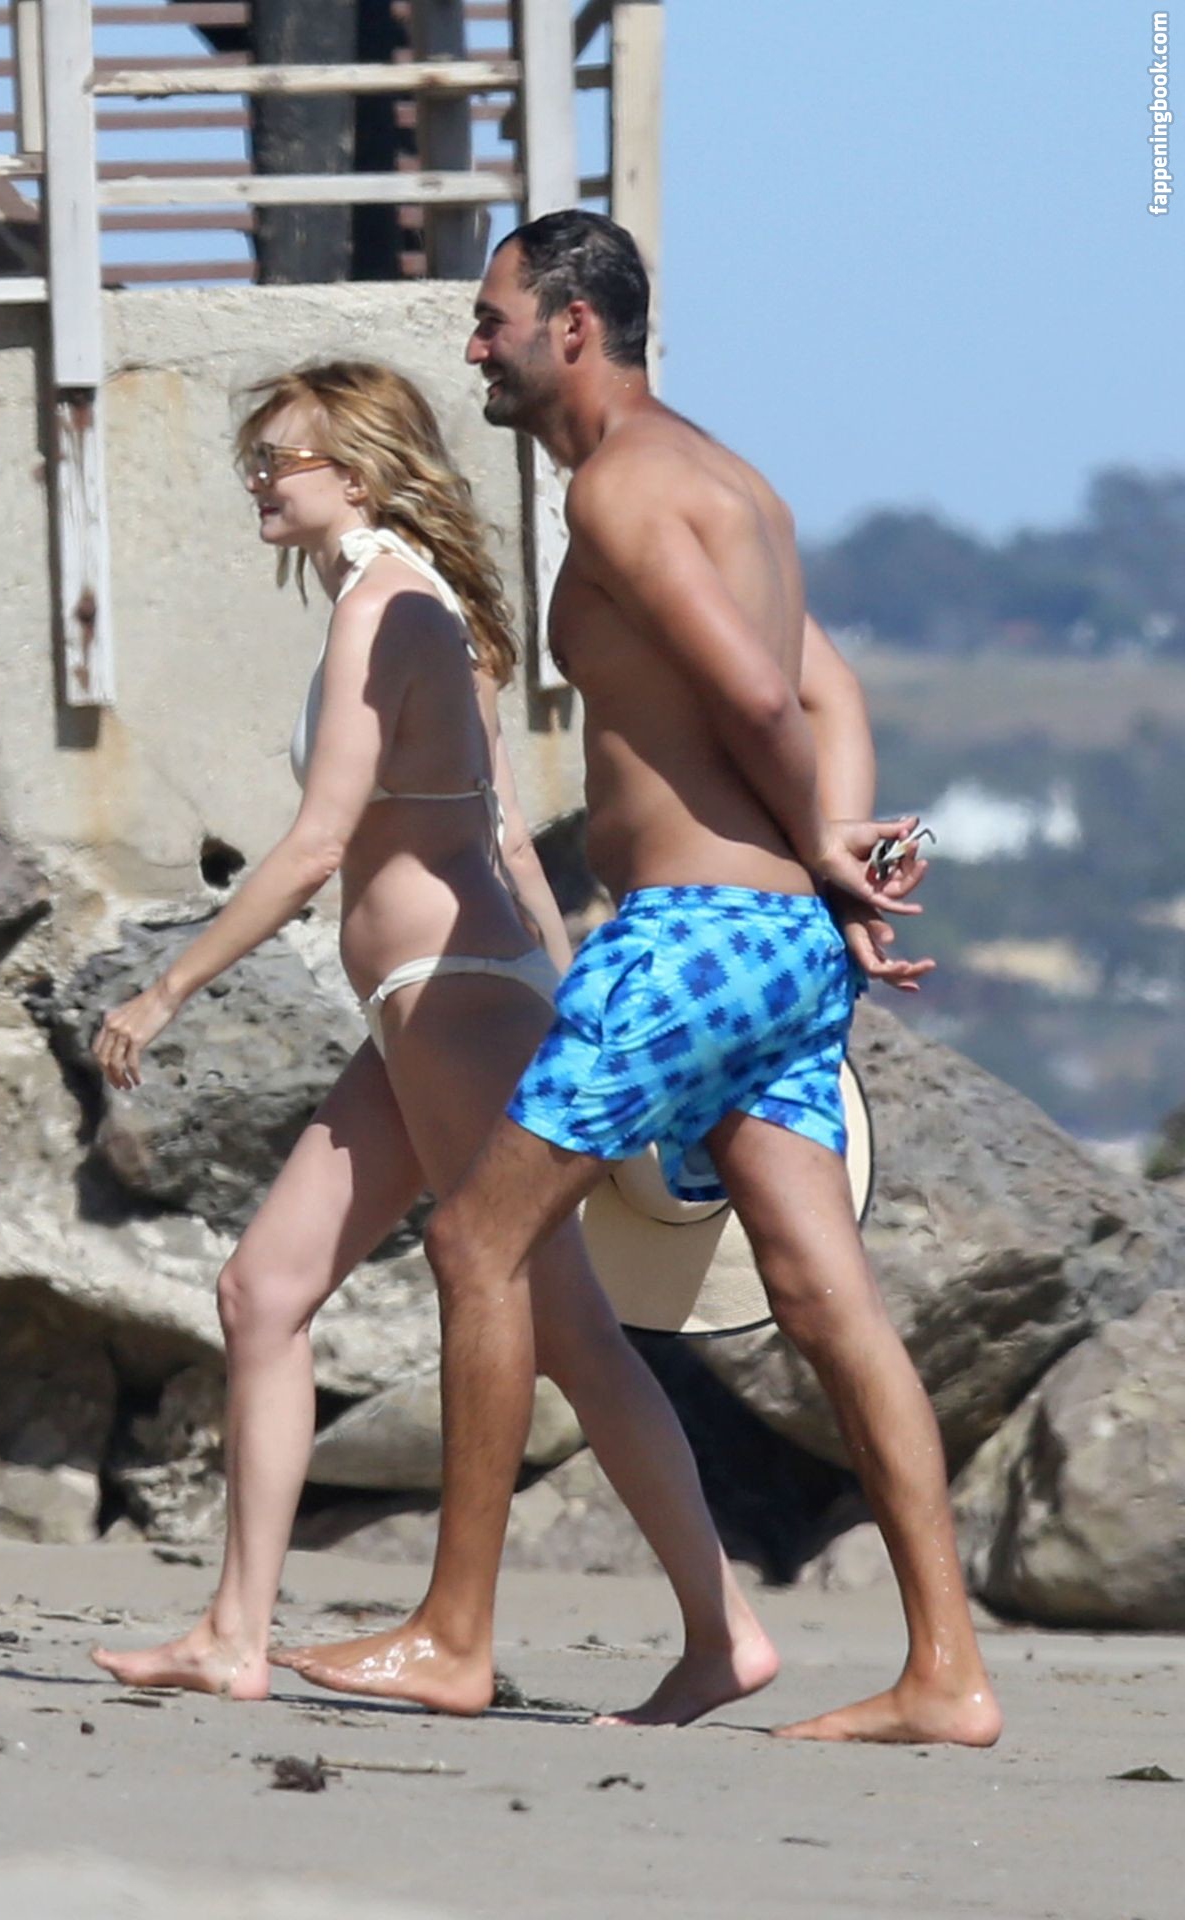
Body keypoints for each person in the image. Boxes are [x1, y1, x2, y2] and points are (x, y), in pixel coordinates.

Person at [278, 215, 1003, 1748]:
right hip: (780, 951)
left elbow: (760, 700)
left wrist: (820, 843)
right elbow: (828, 692)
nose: (474, 346)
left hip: (689, 940)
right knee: (827, 1299)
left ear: (574, 329)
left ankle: (453, 1635)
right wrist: (834, 873)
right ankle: (947, 1672)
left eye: (493, 320)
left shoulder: (619, 489)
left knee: (478, 1241)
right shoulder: (732, 482)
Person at [89, 358, 792, 1712]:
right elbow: (509, 837)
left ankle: (722, 1630)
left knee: (569, 1327)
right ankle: (235, 1634)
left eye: (280, 459)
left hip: (448, 990)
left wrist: (165, 989)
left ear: (355, 471)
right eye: (255, 458)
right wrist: (573, 1001)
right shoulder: (427, 602)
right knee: (264, 1292)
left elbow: (317, 847)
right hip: (443, 996)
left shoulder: (386, 607)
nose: (258, 479)